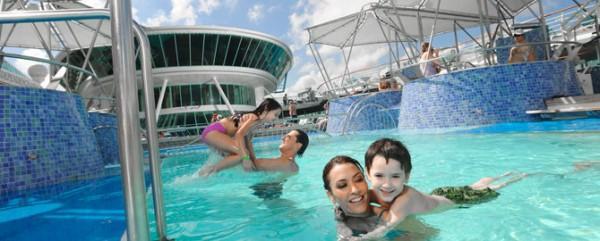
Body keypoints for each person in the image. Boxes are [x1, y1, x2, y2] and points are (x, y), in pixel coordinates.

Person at [198, 98, 282, 176]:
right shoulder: (253, 118)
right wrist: (246, 158)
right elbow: (239, 135)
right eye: (275, 114)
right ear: (266, 110)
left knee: (243, 154)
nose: (276, 118)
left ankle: (209, 171)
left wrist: (254, 162)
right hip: (213, 132)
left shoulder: (255, 122)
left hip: (214, 132)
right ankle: (209, 171)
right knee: (242, 154)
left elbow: (248, 143)